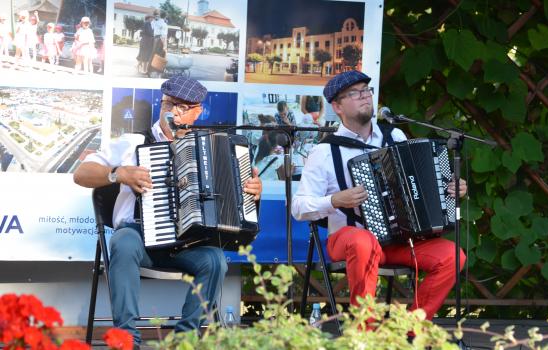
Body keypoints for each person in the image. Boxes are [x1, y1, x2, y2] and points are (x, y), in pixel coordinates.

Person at [73, 76, 263, 346]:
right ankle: (127, 340)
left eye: (185, 107)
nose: (174, 111)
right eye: (170, 103)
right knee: (123, 243)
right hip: (140, 238)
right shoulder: (133, 141)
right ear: (161, 104)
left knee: (215, 260)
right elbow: (81, 174)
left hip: (187, 243)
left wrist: (253, 190)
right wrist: (118, 173)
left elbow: (234, 204)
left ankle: (183, 339)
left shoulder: (210, 148)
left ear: (198, 113)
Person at [292, 71, 468, 323]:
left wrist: (449, 189)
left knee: (453, 256)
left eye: (366, 90)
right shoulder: (324, 151)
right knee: (363, 241)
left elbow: (415, 185)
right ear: (337, 106)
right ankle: (364, 334)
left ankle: (408, 330)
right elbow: (298, 208)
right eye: (354, 93)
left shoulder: (394, 137)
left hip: (398, 241)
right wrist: (335, 200)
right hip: (348, 238)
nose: (364, 96)